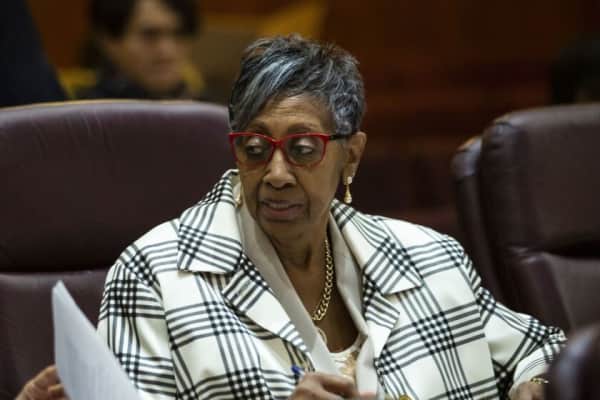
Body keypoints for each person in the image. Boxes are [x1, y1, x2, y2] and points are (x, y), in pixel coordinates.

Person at [21, 34, 566, 399]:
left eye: (303, 149)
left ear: (351, 156)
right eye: (255, 147)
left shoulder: (426, 256)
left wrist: (538, 383)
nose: (277, 173)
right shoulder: (156, 276)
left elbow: (542, 349)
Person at [76, 0, 202, 100]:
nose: (167, 51)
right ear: (109, 41)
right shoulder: (84, 116)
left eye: (179, 34)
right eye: (149, 34)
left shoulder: (206, 108)